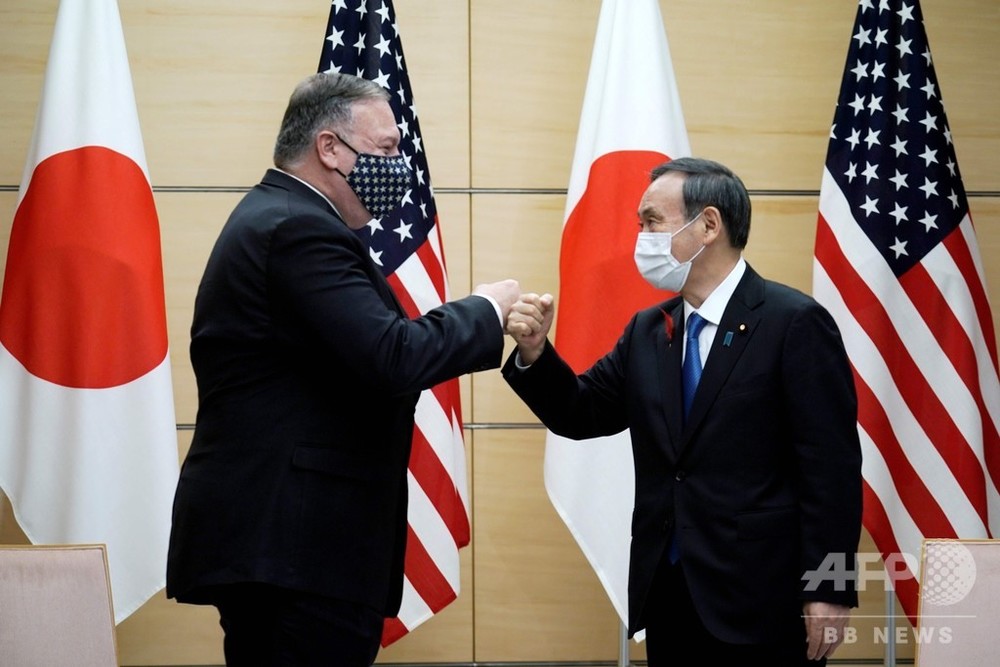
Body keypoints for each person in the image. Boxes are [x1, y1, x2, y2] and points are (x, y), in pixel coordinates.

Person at [166, 72, 521, 666]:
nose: (397, 166)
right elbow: (391, 356)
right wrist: (486, 309)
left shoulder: (278, 218)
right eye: (384, 149)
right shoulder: (296, 228)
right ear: (330, 148)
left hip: (293, 547)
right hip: (296, 548)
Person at [504, 157, 862, 665]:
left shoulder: (795, 323)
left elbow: (834, 472)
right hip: (669, 595)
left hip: (765, 601)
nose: (641, 236)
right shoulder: (648, 331)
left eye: (652, 221)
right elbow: (581, 413)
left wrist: (832, 589)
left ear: (709, 225)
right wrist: (537, 354)